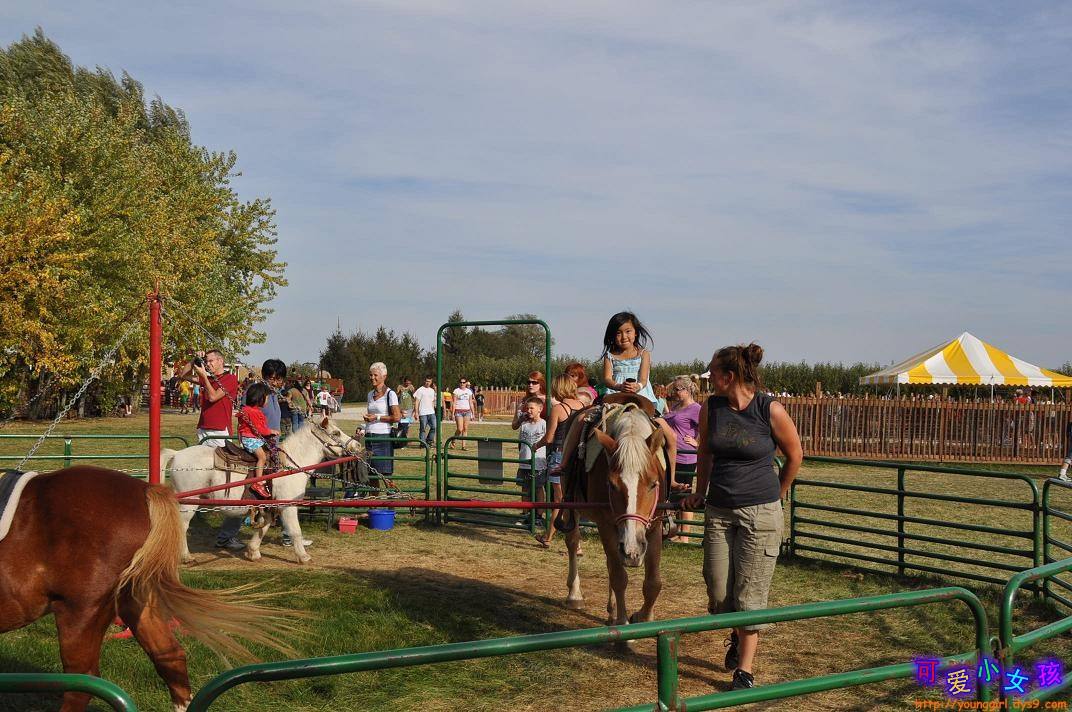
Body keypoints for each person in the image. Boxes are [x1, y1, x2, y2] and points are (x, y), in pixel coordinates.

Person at [682, 343, 803, 691]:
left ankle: (744, 671)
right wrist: (699, 491)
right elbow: (704, 452)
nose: (709, 380)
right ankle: (736, 634)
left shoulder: (770, 410)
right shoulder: (712, 408)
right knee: (719, 593)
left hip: (760, 515)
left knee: (750, 595)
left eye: (712, 374)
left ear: (728, 376)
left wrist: (777, 494)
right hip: (719, 510)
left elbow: (795, 455)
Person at [533, 374, 585, 548]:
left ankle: (552, 539)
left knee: (559, 500)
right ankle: (571, 541)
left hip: (559, 455)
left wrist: (535, 446)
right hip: (578, 457)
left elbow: (549, 438)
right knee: (573, 500)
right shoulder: (585, 406)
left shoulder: (559, 409)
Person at [663, 376, 702, 541]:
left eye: (679, 389)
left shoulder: (696, 409)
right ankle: (677, 531)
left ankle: (685, 535)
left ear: (688, 390)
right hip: (671, 455)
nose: (676, 392)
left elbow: (706, 428)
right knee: (674, 494)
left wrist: (697, 442)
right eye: (675, 389)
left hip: (686, 456)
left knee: (685, 495)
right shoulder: (677, 406)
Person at [601, 311, 657, 407]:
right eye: (618, 333)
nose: (624, 337)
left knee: (658, 420)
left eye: (628, 331)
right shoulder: (610, 356)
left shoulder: (644, 354)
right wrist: (619, 386)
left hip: (641, 396)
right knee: (598, 418)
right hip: (616, 397)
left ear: (635, 332)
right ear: (613, 336)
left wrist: (637, 386)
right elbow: (607, 379)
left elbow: (643, 379)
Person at [238, 382, 275, 499]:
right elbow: (261, 430)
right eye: (266, 398)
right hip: (250, 439)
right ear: (260, 398)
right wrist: (271, 431)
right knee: (262, 457)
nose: (268, 401)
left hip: (249, 437)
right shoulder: (254, 412)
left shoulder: (247, 409)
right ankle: (258, 482)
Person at [364, 362, 401, 478]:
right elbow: (371, 416)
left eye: (375, 375)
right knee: (371, 476)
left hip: (383, 438)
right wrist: (363, 426)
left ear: (384, 376)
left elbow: (397, 417)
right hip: (369, 437)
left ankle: (392, 496)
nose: (372, 378)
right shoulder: (370, 394)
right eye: (371, 375)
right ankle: (373, 497)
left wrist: (377, 417)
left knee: (386, 476)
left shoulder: (391, 394)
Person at [515, 395, 547, 508]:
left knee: (538, 488)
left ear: (540, 409)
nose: (528, 411)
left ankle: (538, 514)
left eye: (531, 408)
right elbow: (520, 441)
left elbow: (548, 440)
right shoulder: (524, 425)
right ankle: (525, 512)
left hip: (538, 464)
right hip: (524, 462)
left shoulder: (543, 424)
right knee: (525, 488)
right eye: (527, 408)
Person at [451, 377, 476, 449]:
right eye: (461, 382)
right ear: (459, 383)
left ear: (466, 383)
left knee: (465, 429)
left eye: (463, 382)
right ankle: (453, 439)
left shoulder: (469, 391)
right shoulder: (456, 391)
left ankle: (464, 446)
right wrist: (453, 414)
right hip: (458, 412)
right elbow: (454, 402)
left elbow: (471, 403)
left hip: (467, 412)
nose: (462, 384)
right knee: (460, 429)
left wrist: (473, 413)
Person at [413, 376, 438, 447]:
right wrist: (416, 413)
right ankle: (422, 443)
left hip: (431, 412)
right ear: (424, 381)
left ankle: (429, 441)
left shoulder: (432, 390)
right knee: (422, 429)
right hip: (423, 413)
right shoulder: (420, 390)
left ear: (431, 382)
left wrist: (433, 410)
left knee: (434, 427)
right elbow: (417, 402)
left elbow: (432, 401)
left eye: (429, 381)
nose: (427, 383)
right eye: (426, 381)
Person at [396, 378, 415, 442]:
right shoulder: (400, 387)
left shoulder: (411, 387)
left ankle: (405, 438)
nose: (408, 384)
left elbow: (414, 396)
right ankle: (399, 437)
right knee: (400, 424)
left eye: (409, 383)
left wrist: (413, 390)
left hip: (409, 408)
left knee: (407, 424)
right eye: (407, 383)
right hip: (401, 408)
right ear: (404, 382)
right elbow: (396, 395)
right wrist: (398, 391)